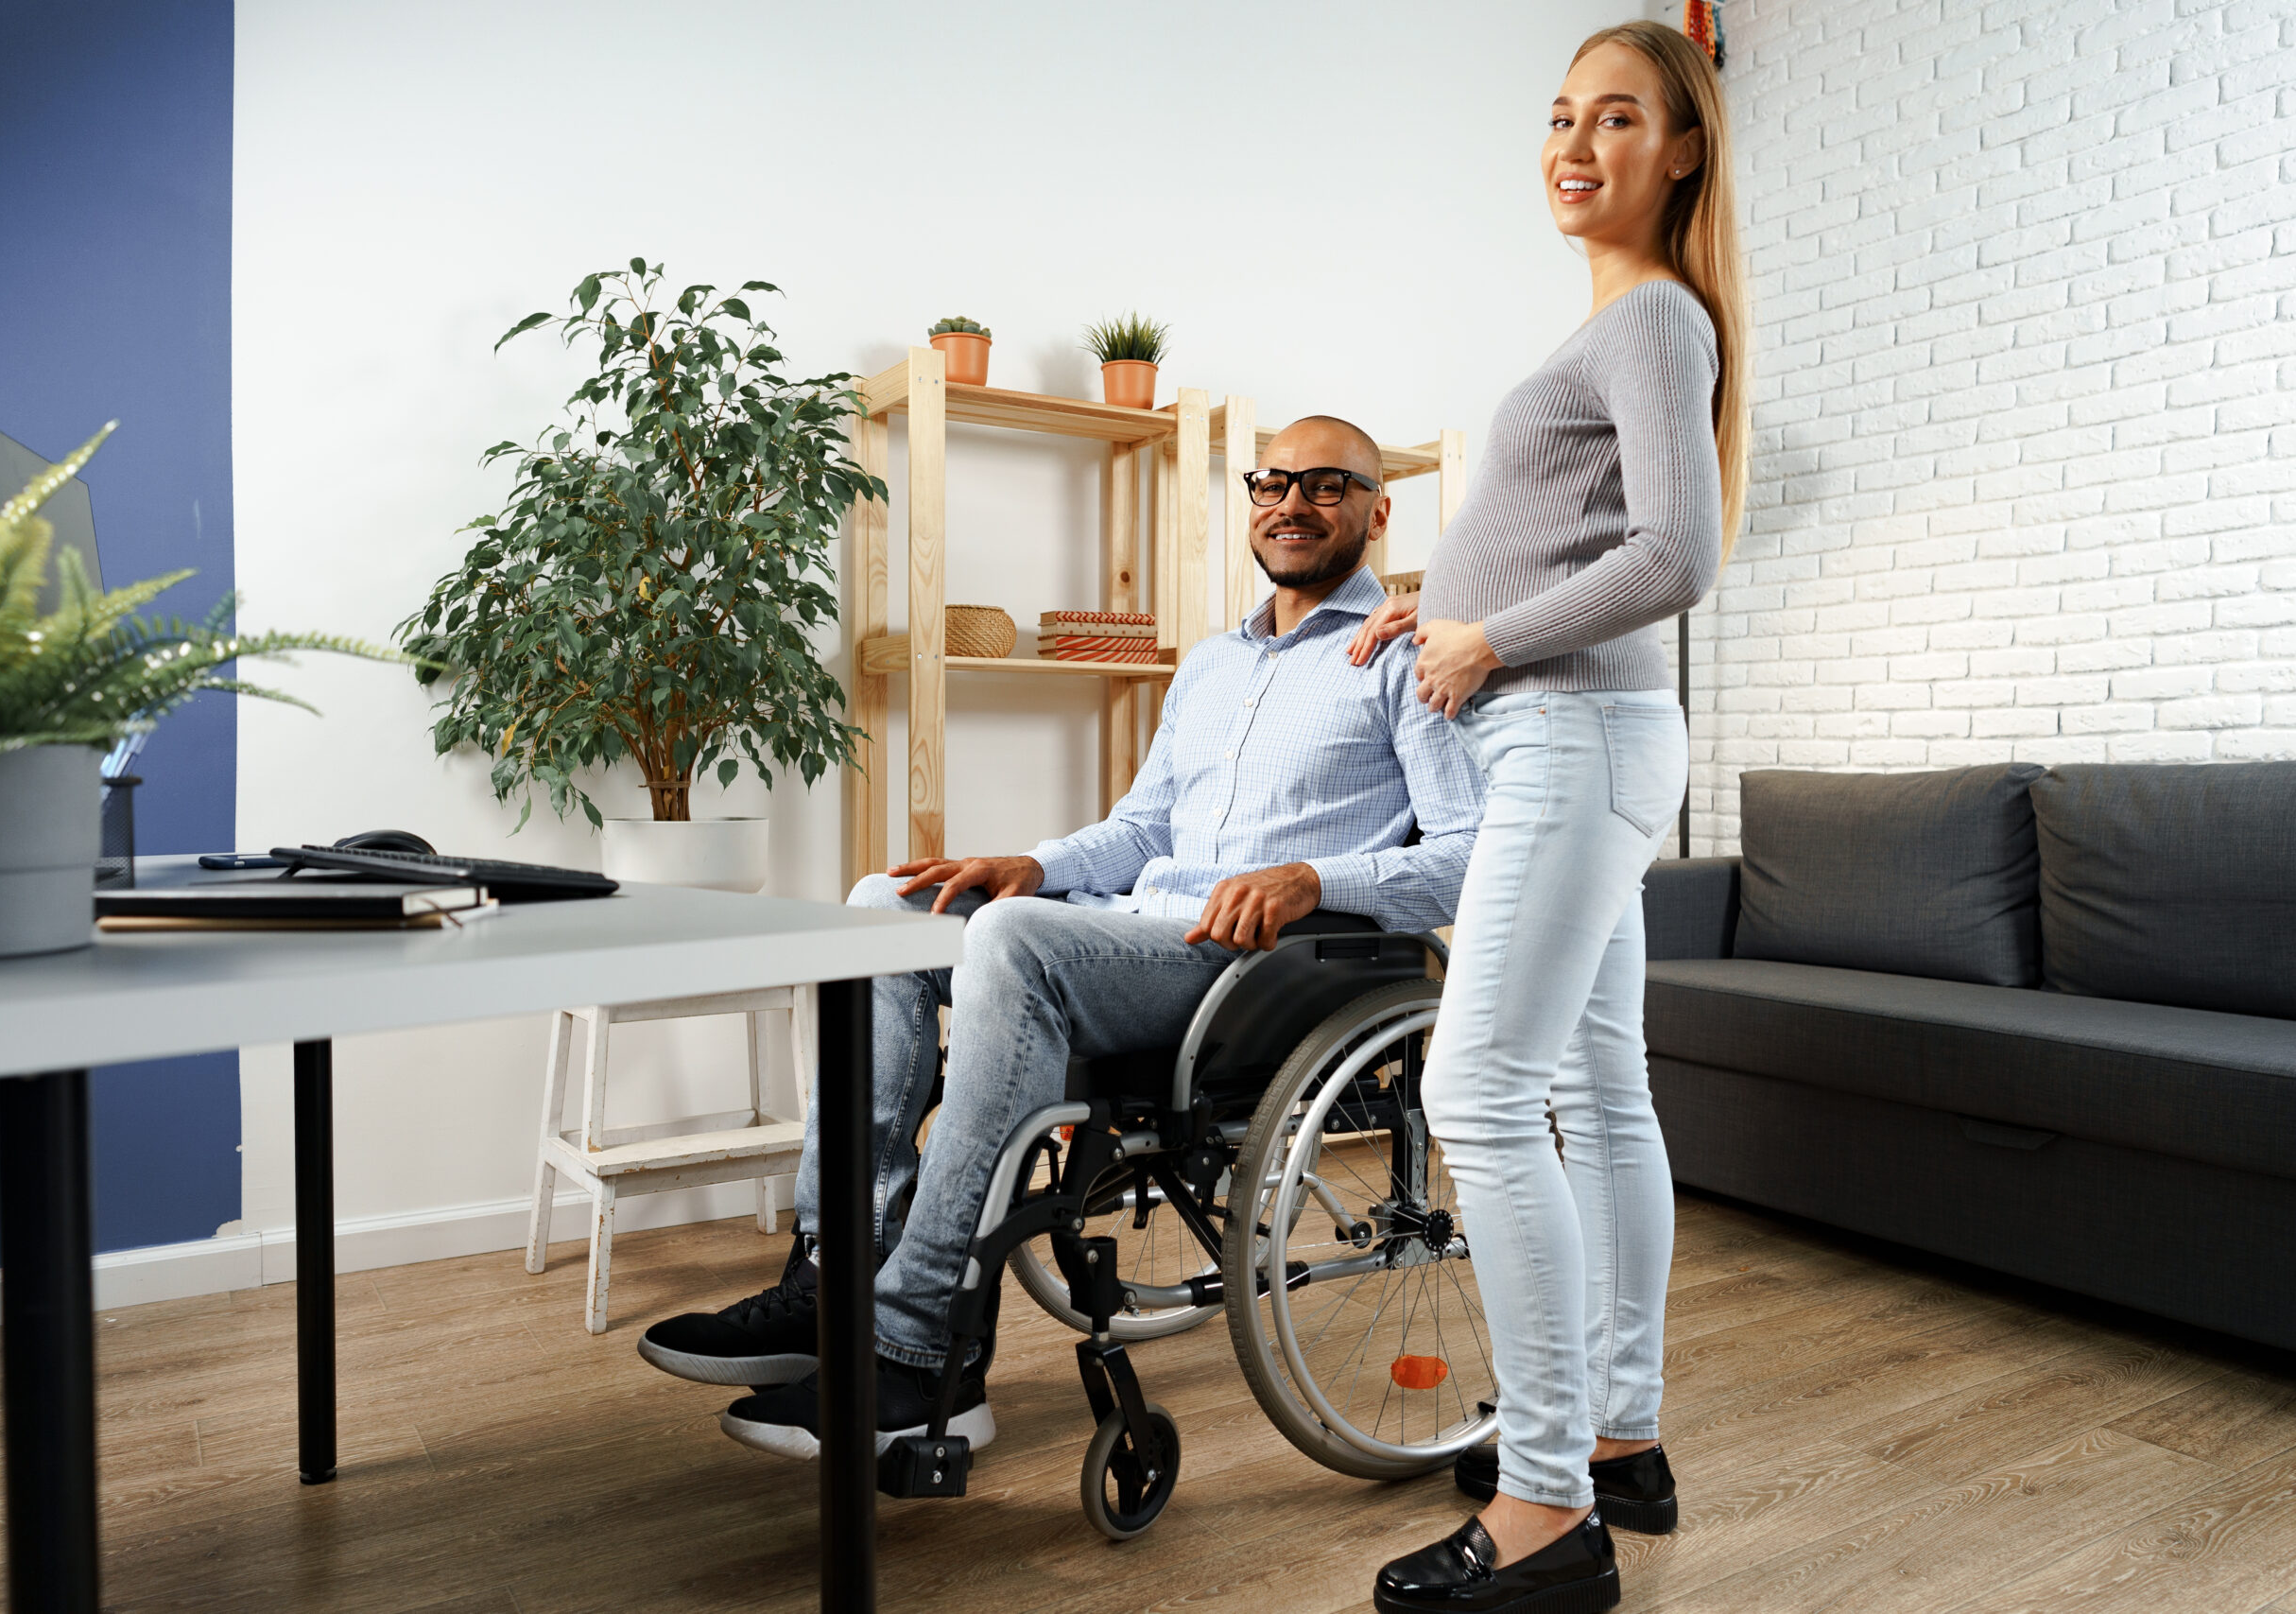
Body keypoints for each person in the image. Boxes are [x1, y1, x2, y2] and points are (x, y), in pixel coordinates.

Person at [636, 415, 1485, 1460]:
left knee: (1013, 942)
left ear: (1376, 508)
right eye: (1272, 483)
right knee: (881, 908)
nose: (1291, 504)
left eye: (1325, 485)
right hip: (1134, 929)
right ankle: (831, 1273)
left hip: (1256, 972)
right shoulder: (1212, 665)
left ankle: (919, 1354)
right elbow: (1141, 829)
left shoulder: (1403, 651)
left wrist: (1313, 878)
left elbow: (1464, 851)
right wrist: (1034, 866)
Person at [1353, 24, 1749, 1614]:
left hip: (1572, 736)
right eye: (1562, 114)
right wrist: (1428, 606)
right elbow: (1579, 543)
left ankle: (1543, 1511)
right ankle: (1618, 1440)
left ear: (1682, 151)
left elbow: (1676, 558)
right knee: (1596, 1082)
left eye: (1620, 116)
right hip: (1579, 732)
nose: (1577, 141)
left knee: (1482, 1088)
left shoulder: (1652, 318)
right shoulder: (1621, 323)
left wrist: (1485, 636)